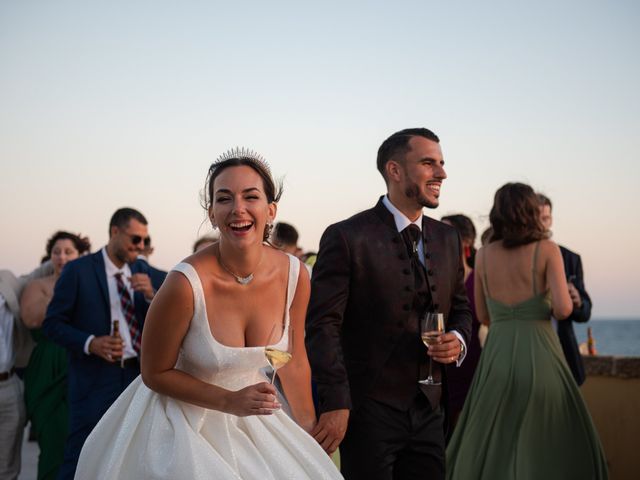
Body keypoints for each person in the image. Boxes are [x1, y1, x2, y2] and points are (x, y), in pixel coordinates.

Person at [74, 148, 342, 479]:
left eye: (251, 196)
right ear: (212, 213)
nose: (238, 209)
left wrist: (306, 433)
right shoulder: (184, 284)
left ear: (270, 210)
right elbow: (154, 372)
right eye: (224, 198)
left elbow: (295, 359)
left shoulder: (295, 275)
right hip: (181, 425)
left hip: (256, 418)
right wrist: (229, 402)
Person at [306, 128, 472, 479]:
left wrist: (457, 339)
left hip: (430, 410)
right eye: (429, 163)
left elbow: (461, 308)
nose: (441, 173)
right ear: (394, 171)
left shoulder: (447, 237)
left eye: (441, 163)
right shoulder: (347, 236)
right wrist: (336, 401)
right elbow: (322, 326)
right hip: (368, 409)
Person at [446, 182, 607, 479]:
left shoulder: (484, 256)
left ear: (497, 214)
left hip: (498, 355)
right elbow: (562, 309)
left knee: (497, 439)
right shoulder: (547, 250)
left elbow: (482, 315)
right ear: (532, 212)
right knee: (548, 438)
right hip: (540, 351)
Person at [42, 208, 164, 480]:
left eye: (144, 241)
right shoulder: (78, 270)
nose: (141, 247)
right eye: (135, 239)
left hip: (138, 378)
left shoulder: (144, 270)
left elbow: (179, 304)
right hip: (94, 379)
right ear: (114, 233)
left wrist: (152, 296)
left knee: (134, 454)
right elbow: (52, 324)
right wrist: (90, 343)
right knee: (83, 453)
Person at [20, 232, 91, 480]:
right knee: (51, 441)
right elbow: (31, 318)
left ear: (80, 254)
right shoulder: (36, 286)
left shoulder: (88, 282)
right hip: (46, 367)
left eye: (68, 252)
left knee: (83, 442)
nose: (61, 257)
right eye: (56, 252)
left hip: (81, 363)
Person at [1, 262, 53, 480]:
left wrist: (71, 251)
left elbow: (38, 272)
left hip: (8, 385)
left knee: (7, 465)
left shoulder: (7, 281)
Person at [538, 193, 592, 385]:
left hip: (563, 351)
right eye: (536, 218)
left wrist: (577, 302)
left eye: (545, 218)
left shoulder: (570, 258)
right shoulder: (517, 258)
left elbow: (585, 313)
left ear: (551, 219)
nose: (541, 224)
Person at [441, 214, 482, 430]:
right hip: (442, 374)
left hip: (476, 371)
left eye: (446, 233)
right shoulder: (436, 282)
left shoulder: (480, 279)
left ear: (465, 243)